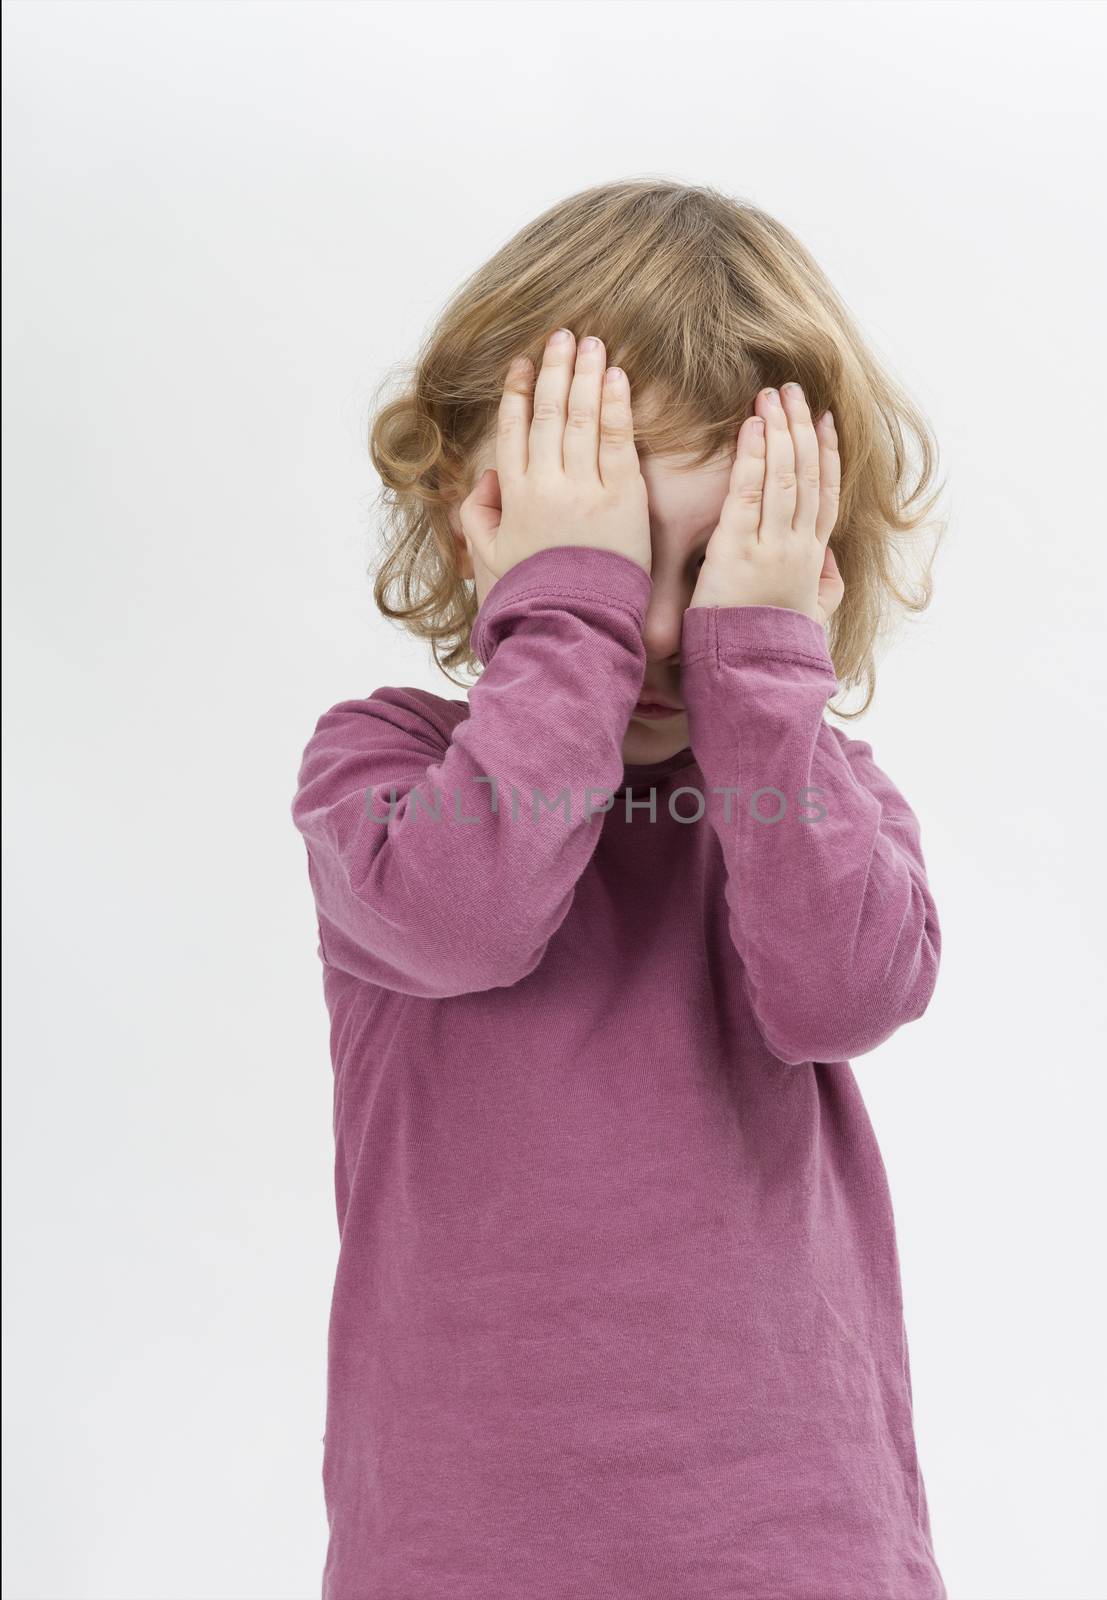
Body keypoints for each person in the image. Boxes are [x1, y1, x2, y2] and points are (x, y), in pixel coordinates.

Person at [292, 178, 948, 1600]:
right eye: (606, 555)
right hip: (462, 1553)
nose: (652, 625)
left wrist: (767, 681)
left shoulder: (804, 799)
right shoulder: (382, 777)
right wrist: (561, 625)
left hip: (793, 1541)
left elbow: (844, 995)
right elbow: (471, 915)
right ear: (479, 518)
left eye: (716, 565)